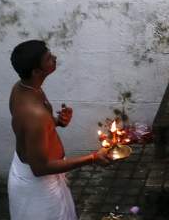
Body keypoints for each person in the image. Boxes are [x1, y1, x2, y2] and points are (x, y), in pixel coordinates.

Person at [8, 40, 111, 220]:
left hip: (42, 175)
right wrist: (92, 158)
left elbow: (32, 130)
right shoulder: (34, 114)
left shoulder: (24, 87)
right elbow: (40, 168)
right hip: (38, 186)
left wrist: (57, 122)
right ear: (36, 71)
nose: (54, 58)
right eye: (48, 58)